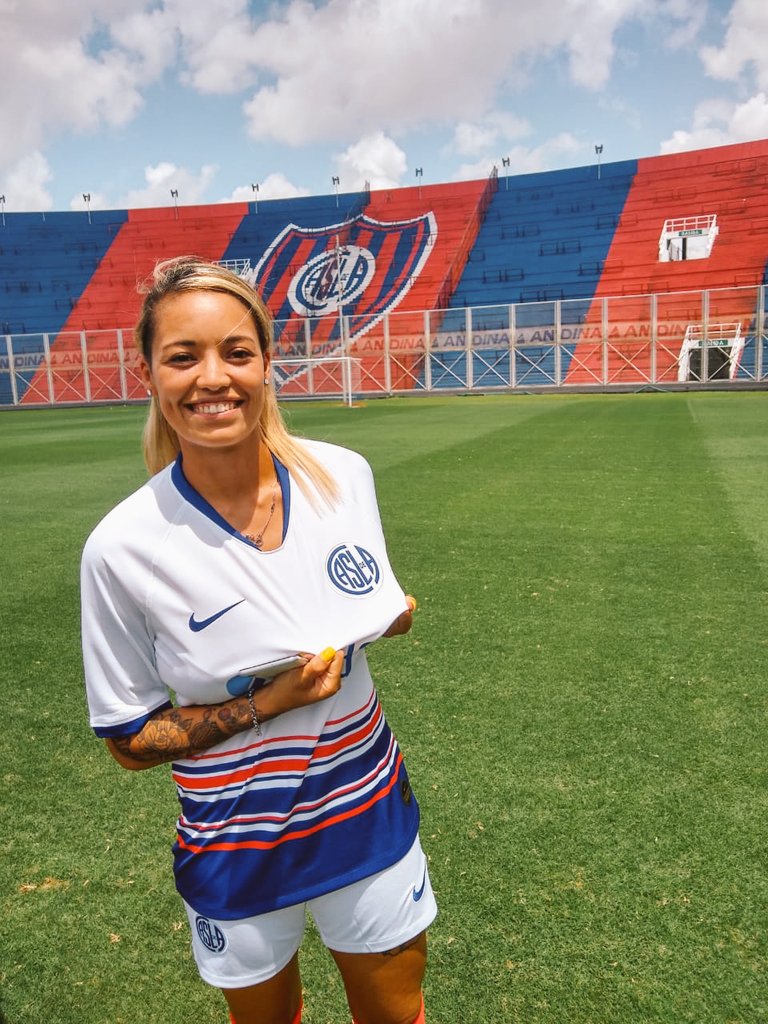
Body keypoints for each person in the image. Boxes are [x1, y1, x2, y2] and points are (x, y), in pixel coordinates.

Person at [80, 256, 437, 1024]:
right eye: (183, 357)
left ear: (267, 362)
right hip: (234, 842)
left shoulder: (343, 476)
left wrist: (388, 616)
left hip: (366, 811)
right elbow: (128, 740)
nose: (213, 378)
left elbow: (364, 598)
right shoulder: (122, 548)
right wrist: (267, 703)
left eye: (236, 352)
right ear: (149, 374)